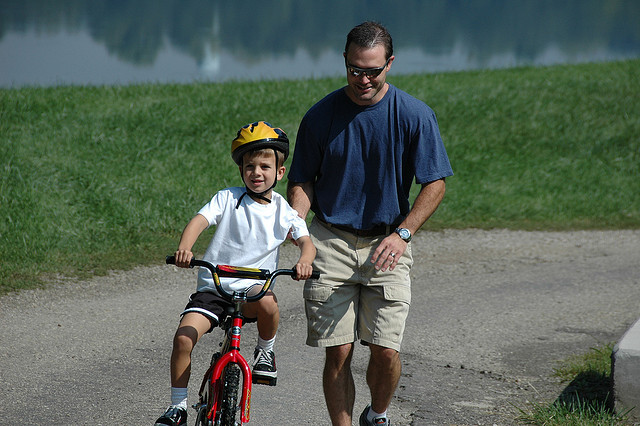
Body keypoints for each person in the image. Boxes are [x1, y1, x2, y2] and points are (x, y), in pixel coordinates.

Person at [287, 21, 453, 426]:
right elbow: (302, 181)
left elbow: (435, 183)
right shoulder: (321, 116)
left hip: (388, 243)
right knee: (338, 351)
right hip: (331, 241)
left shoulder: (414, 115)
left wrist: (403, 234)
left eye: (373, 71)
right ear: (345, 62)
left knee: (385, 350)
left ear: (390, 64)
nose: (363, 79)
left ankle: (377, 415)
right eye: (355, 69)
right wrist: (297, 227)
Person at [155, 121, 316, 426]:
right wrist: (185, 248)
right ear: (241, 169)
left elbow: (306, 243)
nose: (257, 172)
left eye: (265, 166)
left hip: (255, 290)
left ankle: (265, 352)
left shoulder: (284, 210)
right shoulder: (227, 198)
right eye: (250, 165)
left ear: (279, 173)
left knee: (270, 303)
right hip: (214, 289)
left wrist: (305, 261)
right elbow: (200, 221)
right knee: (183, 338)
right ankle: (177, 406)